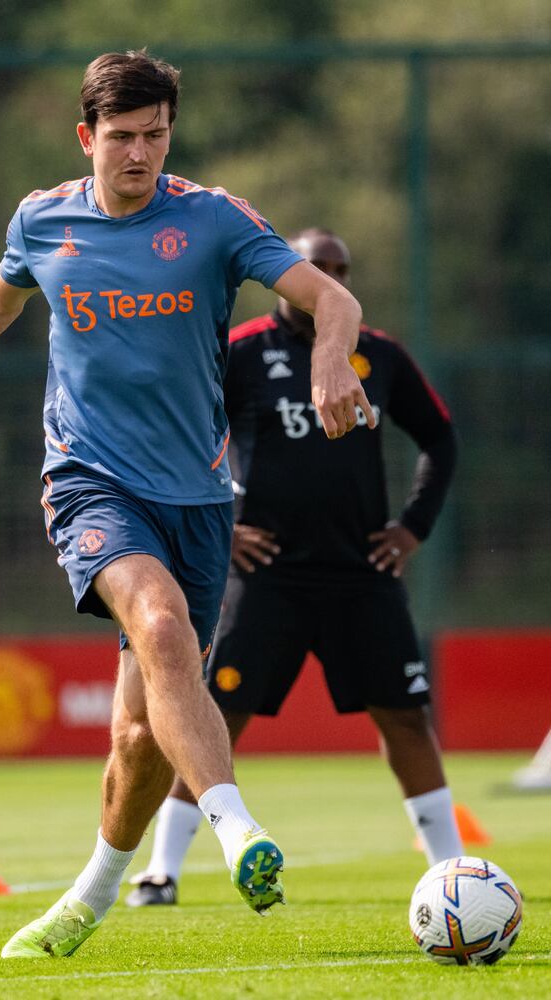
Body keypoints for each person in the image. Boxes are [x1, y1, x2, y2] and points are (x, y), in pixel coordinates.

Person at [0, 56, 375, 958]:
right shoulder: (44, 218)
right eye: (123, 137)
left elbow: (330, 297)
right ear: (88, 138)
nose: (140, 154)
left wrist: (330, 356)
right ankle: (238, 832)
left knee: (140, 734)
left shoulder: (214, 219)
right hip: (89, 482)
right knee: (158, 628)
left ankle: (86, 899)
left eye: (156, 135)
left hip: (197, 496)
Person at [127, 227, 462, 908]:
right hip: (266, 575)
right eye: (316, 268)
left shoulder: (380, 356)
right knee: (217, 712)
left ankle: (454, 868)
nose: (329, 279)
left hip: (361, 573)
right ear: (289, 274)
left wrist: (412, 528)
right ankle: (161, 871)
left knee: (404, 716)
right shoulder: (243, 353)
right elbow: (183, 435)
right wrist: (224, 528)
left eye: (340, 269)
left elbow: (440, 438)